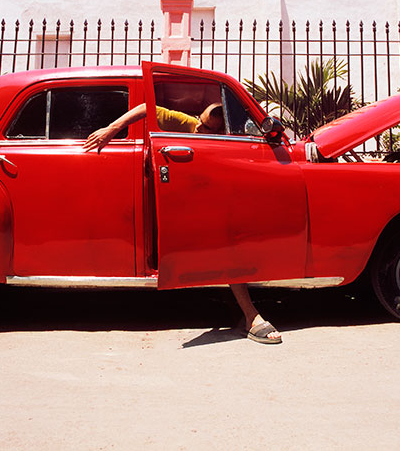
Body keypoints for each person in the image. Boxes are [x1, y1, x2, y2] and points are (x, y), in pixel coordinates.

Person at [83, 102, 282, 344]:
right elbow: (147, 107)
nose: (204, 134)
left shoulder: (234, 135)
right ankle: (250, 315)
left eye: (214, 132)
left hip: (216, 195)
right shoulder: (188, 124)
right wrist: (110, 129)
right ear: (200, 121)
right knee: (227, 241)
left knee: (236, 236)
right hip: (187, 198)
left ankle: (242, 306)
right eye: (205, 128)